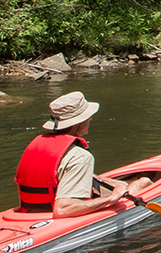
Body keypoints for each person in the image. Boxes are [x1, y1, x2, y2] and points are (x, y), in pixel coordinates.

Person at [14, 92, 152, 218]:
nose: (91, 118)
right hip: (60, 209)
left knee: (106, 180)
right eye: (88, 117)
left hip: (31, 210)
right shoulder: (80, 157)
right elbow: (62, 209)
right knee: (144, 182)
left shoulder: (38, 144)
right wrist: (112, 198)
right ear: (78, 123)